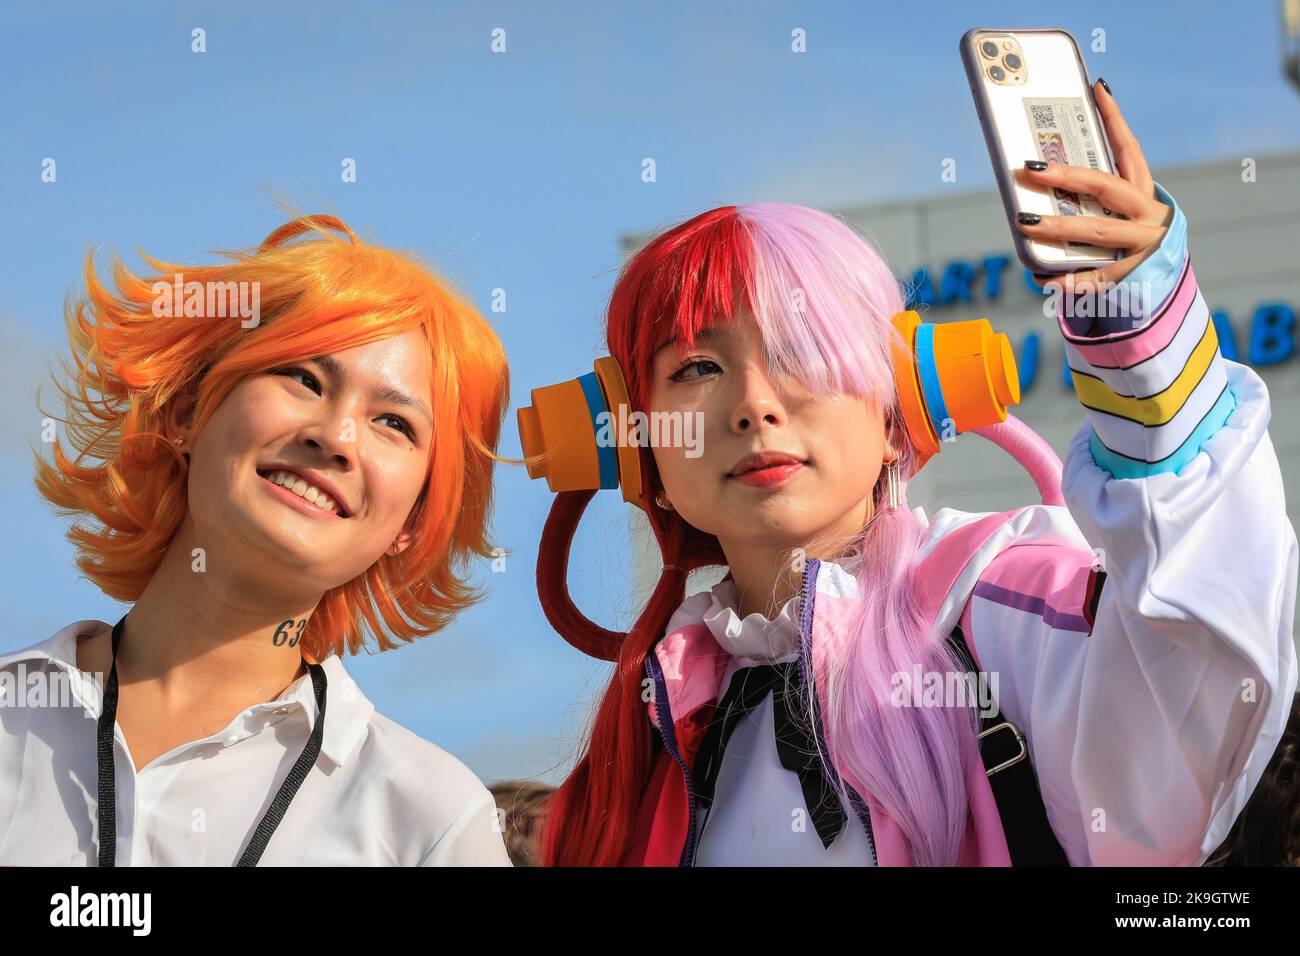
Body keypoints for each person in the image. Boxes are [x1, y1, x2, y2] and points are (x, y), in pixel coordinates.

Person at [527, 80, 1299, 866]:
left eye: (803, 351)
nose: (754, 406)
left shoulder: (1001, 622)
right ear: (635, 444)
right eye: (695, 366)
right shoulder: (645, 749)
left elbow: (1195, 691)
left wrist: (1144, 342)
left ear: (899, 401)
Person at [1, 215, 513, 866]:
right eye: (303, 378)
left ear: (412, 522)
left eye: (393, 422)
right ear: (187, 410)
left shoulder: (434, 823)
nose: (335, 436)